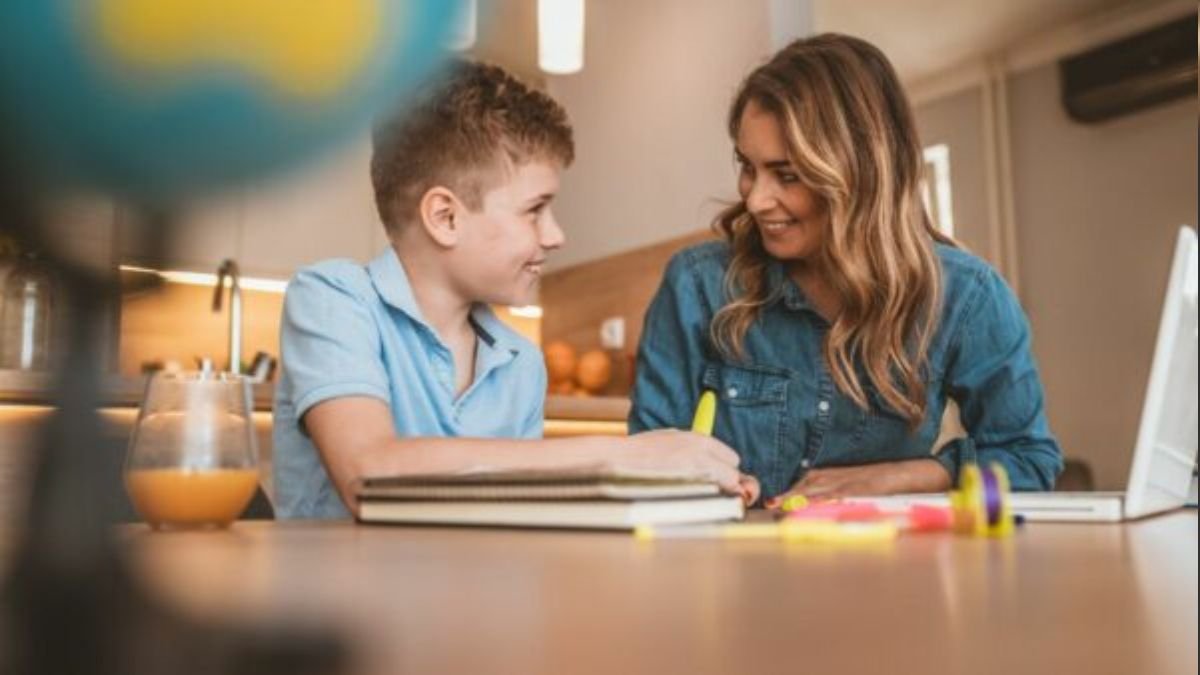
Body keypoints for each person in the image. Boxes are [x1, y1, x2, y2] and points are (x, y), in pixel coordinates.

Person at [273, 61, 752, 519]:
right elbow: (366, 474)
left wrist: (676, 482)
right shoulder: (333, 298)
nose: (556, 235)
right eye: (535, 209)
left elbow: (516, 505)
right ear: (445, 217)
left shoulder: (520, 362)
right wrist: (622, 455)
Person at [628, 34, 1062, 507]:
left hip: (887, 574)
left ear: (862, 175)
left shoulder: (967, 297)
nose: (754, 200)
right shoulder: (697, 285)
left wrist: (905, 477)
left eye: (787, 174)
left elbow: (1028, 462)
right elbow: (644, 470)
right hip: (736, 577)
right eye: (748, 166)